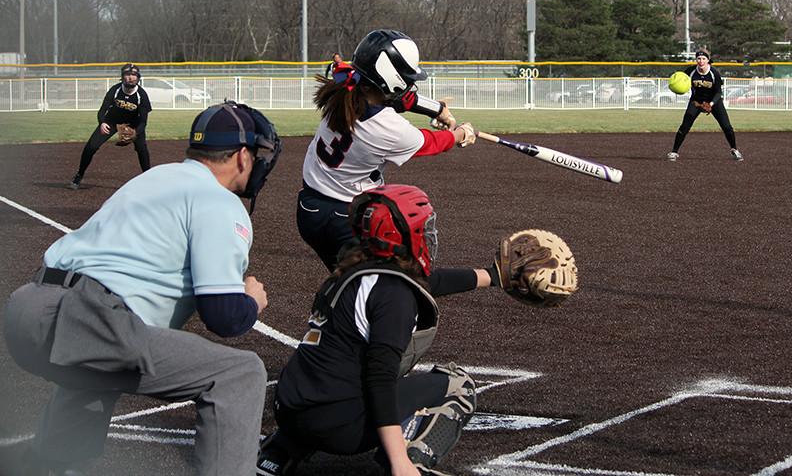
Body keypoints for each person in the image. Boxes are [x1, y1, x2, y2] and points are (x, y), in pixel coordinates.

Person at [5, 101, 282, 475]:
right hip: (89, 316)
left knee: (96, 374)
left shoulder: (156, 177)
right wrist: (250, 301)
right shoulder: (219, 200)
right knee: (240, 374)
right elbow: (224, 316)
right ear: (241, 155)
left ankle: (47, 467)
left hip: (29, 309)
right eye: (257, 153)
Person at [258, 184, 494, 476]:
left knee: (331, 370)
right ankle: (412, 463)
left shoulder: (349, 270)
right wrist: (398, 462)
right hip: (338, 426)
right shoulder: (394, 293)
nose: (429, 234)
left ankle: (277, 453)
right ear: (404, 235)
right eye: (424, 227)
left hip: (290, 410)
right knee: (458, 385)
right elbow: (380, 378)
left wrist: (493, 277)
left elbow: (431, 281)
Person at [297, 28, 473, 271]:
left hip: (309, 208)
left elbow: (400, 98)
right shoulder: (387, 128)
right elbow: (431, 143)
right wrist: (460, 134)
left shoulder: (347, 86)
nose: (410, 83)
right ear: (392, 80)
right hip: (343, 216)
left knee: (346, 282)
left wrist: (438, 109)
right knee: (379, 284)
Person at [70, 63, 153, 189]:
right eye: (127, 74)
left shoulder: (142, 95)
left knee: (141, 149)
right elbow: (102, 110)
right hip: (112, 121)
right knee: (90, 147)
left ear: (138, 78)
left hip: (134, 124)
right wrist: (102, 122)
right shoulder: (115, 90)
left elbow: (143, 122)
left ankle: (148, 179)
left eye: (133, 75)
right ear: (122, 77)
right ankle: (79, 174)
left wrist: (135, 133)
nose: (130, 78)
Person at [667, 49, 744, 162]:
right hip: (696, 101)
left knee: (727, 126)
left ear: (708, 60)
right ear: (696, 60)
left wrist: (711, 104)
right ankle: (674, 151)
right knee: (685, 125)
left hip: (714, 101)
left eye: (703, 58)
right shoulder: (691, 71)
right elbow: (680, 80)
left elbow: (718, 92)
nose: (701, 61)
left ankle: (734, 149)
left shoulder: (714, 73)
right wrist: (675, 87)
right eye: (698, 58)